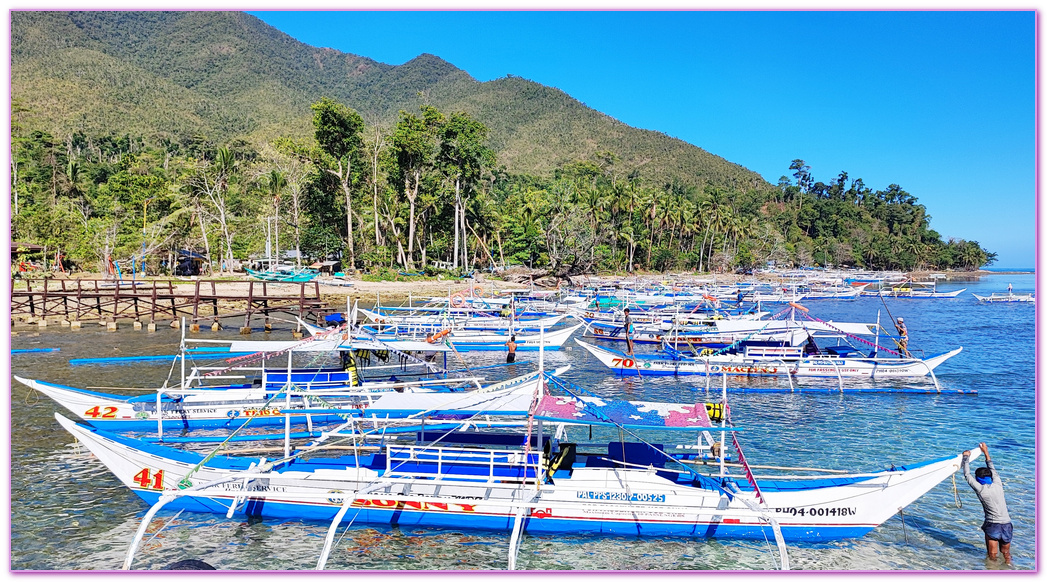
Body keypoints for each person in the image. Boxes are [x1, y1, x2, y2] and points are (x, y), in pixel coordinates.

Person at [962, 443, 1013, 565]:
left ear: (978, 479)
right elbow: (992, 467)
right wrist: (985, 451)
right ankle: (1011, 572)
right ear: (990, 477)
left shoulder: (980, 489)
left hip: (993, 525)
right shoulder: (998, 483)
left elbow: (967, 475)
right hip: (1007, 524)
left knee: (992, 556)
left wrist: (965, 458)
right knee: (1006, 555)